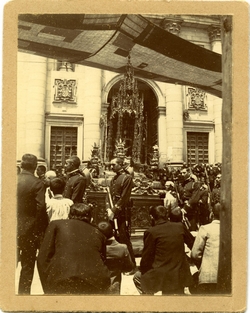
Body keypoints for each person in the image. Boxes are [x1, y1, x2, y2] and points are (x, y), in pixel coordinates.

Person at [37, 203, 111, 294]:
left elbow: (42, 258)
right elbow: (103, 260)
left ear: (69, 215)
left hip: (62, 280)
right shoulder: (98, 233)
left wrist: (48, 288)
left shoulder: (55, 225)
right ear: (90, 218)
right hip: (94, 284)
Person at [133, 205, 195, 295]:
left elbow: (146, 258)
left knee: (137, 277)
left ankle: (149, 302)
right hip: (180, 272)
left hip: (162, 274)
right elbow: (193, 244)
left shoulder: (151, 232)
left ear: (151, 217)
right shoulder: (180, 227)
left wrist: (142, 269)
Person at [17, 153, 48, 294]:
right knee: (27, 265)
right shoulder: (37, 183)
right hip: (29, 230)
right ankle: (23, 296)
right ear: (35, 167)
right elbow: (41, 207)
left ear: (21, 165)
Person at [108, 157, 136, 272]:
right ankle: (120, 264)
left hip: (122, 212)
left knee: (124, 237)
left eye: (113, 165)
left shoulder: (127, 178)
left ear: (120, 165)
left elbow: (124, 197)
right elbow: (108, 195)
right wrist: (108, 209)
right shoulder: (113, 178)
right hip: (112, 212)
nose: (111, 167)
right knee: (115, 237)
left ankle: (132, 265)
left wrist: (114, 210)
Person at [191, 203, 221, 294]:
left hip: (208, 276)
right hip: (227, 278)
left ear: (212, 214)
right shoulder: (232, 230)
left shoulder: (205, 229)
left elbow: (195, 254)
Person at [97, 221, 134, 294]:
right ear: (113, 231)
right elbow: (129, 267)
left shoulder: (96, 249)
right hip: (114, 286)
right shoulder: (122, 248)